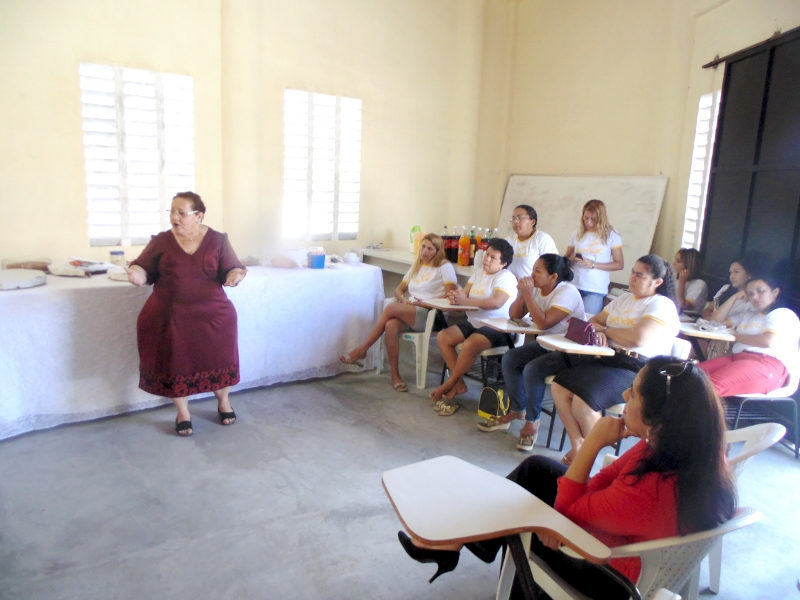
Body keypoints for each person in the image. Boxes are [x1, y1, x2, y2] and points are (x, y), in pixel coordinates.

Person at [397, 356, 737, 599]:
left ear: (657, 419)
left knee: (527, 521)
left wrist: (591, 444)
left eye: (633, 394)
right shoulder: (690, 450)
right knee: (538, 469)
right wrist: (569, 508)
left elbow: (570, 509)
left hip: (612, 575)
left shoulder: (650, 486)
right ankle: (469, 542)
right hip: (634, 546)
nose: (623, 397)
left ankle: (475, 552)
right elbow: (603, 479)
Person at [125, 192, 247, 437]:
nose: (174, 217)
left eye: (181, 212)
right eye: (171, 211)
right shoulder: (161, 241)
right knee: (176, 363)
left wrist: (235, 275)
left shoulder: (218, 240)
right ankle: (183, 412)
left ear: (199, 215)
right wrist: (136, 273)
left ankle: (224, 402)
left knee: (219, 359)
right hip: (171, 316)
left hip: (213, 316)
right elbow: (141, 265)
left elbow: (233, 266)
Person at [551, 255, 680, 464]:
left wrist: (607, 330)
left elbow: (638, 338)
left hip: (639, 368)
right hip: (610, 359)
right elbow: (592, 323)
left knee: (582, 403)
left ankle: (589, 459)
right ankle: (578, 445)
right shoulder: (623, 299)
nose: (633, 278)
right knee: (559, 385)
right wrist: (607, 330)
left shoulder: (661, 304)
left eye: (640, 275)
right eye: (632, 272)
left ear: (657, 282)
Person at [479, 254, 585, 451]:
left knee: (533, 369)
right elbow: (515, 315)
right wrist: (522, 294)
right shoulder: (537, 289)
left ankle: (533, 421)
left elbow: (544, 322)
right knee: (510, 358)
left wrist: (529, 294)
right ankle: (519, 409)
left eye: (538, 270)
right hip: (547, 344)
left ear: (553, 277)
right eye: (533, 269)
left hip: (569, 351)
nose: (532, 274)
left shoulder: (566, 292)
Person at [340, 233, 457, 392]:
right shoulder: (417, 265)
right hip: (412, 310)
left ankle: (362, 350)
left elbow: (451, 295)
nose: (425, 251)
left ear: (437, 251)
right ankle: (395, 376)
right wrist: (403, 300)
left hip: (432, 314)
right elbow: (399, 290)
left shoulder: (444, 266)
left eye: (430, 248)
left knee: (390, 308)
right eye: (423, 246)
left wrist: (424, 302)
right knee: (390, 325)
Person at [429, 238, 517, 414]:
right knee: (443, 337)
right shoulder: (478, 274)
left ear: (503, 263)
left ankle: (449, 383)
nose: (487, 259)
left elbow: (496, 303)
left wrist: (465, 300)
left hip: (497, 326)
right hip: (475, 322)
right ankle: (459, 384)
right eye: (487, 254)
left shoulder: (506, 277)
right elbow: (465, 293)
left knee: (470, 344)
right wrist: (456, 295)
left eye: (493, 258)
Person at [699, 272, 800, 396]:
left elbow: (768, 341)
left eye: (760, 291)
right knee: (691, 375)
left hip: (766, 364)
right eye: (750, 294)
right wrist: (734, 297)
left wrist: (737, 336)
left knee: (708, 387)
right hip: (736, 359)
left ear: (775, 292)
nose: (755, 297)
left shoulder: (783, 314)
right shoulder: (748, 314)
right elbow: (715, 321)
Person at [565, 199, 624, 315]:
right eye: (586, 218)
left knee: (586, 323)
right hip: (573, 284)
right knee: (565, 321)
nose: (589, 223)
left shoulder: (612, 235)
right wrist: (571, 259)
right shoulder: (577, 233)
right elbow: (564, 260)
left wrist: (593, 264)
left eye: (593, 219)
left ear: (601, 218)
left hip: (595, 288)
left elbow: (619, 264)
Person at [700, 256, 755, 359]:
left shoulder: (751, 301)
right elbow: (708, 310)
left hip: (725, 340)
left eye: (736, 272)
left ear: (749, 275)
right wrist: (708, 321)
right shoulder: (725, 289)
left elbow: (721, 322)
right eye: (730, 272)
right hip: (707, 331)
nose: (732, 276)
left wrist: (712, 322)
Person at [505, 204, 558, 280]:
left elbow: (553, 267)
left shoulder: (542, 239)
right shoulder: (508, 240)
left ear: (532, 222)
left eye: (520, 218)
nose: (515, 221)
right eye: (513, 218)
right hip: (510, 287)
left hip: (533, 288)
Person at [673, 248, 708, 314]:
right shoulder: (676, 280)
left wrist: (681, 283)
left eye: (678, 261)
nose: (674, 263)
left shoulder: (699, 284)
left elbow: (683, 306)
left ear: (687, 266)